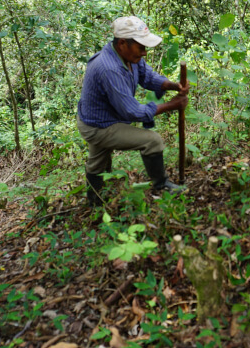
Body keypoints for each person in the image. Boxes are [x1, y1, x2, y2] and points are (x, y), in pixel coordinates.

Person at [77, 16, 189, 207]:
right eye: (141, 47)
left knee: (98, 163)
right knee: (152, 141)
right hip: (98, 126)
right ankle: (161, 185)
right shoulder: (109, 68)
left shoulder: (129, 57)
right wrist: (172, 105)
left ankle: (95, 203)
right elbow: (132, 111)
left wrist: (172, 85)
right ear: (122, 43)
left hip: (99, 119)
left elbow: (148, 76)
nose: (144, 53)